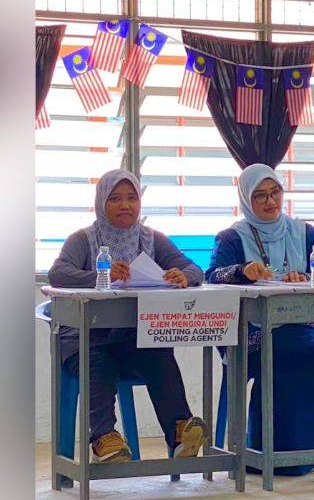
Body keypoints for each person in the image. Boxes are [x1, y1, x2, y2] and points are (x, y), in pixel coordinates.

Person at [48, 169, 209, 463]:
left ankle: (179, 430)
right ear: (101, 203)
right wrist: (98, 275)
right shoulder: (83, 240)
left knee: (157, 349)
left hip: (130, 338)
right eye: (116, 198)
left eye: (132, 198)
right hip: (84, 339)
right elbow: (58, 273)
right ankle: (104, 439)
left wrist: (181, 276)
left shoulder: (152, 239)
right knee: (97, 356)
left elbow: (195, 269)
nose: (125, 205)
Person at [205, 163, 314, 476]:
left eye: (275, 193)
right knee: (282, 354)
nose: (270, 202)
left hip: (302, 324)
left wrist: (307, 276)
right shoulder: (232, 238)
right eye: (260, 196)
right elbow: (211, 276)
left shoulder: (303, 231)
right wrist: (242, 271)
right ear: (246, 200)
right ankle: (266, 451)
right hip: (252, 333)